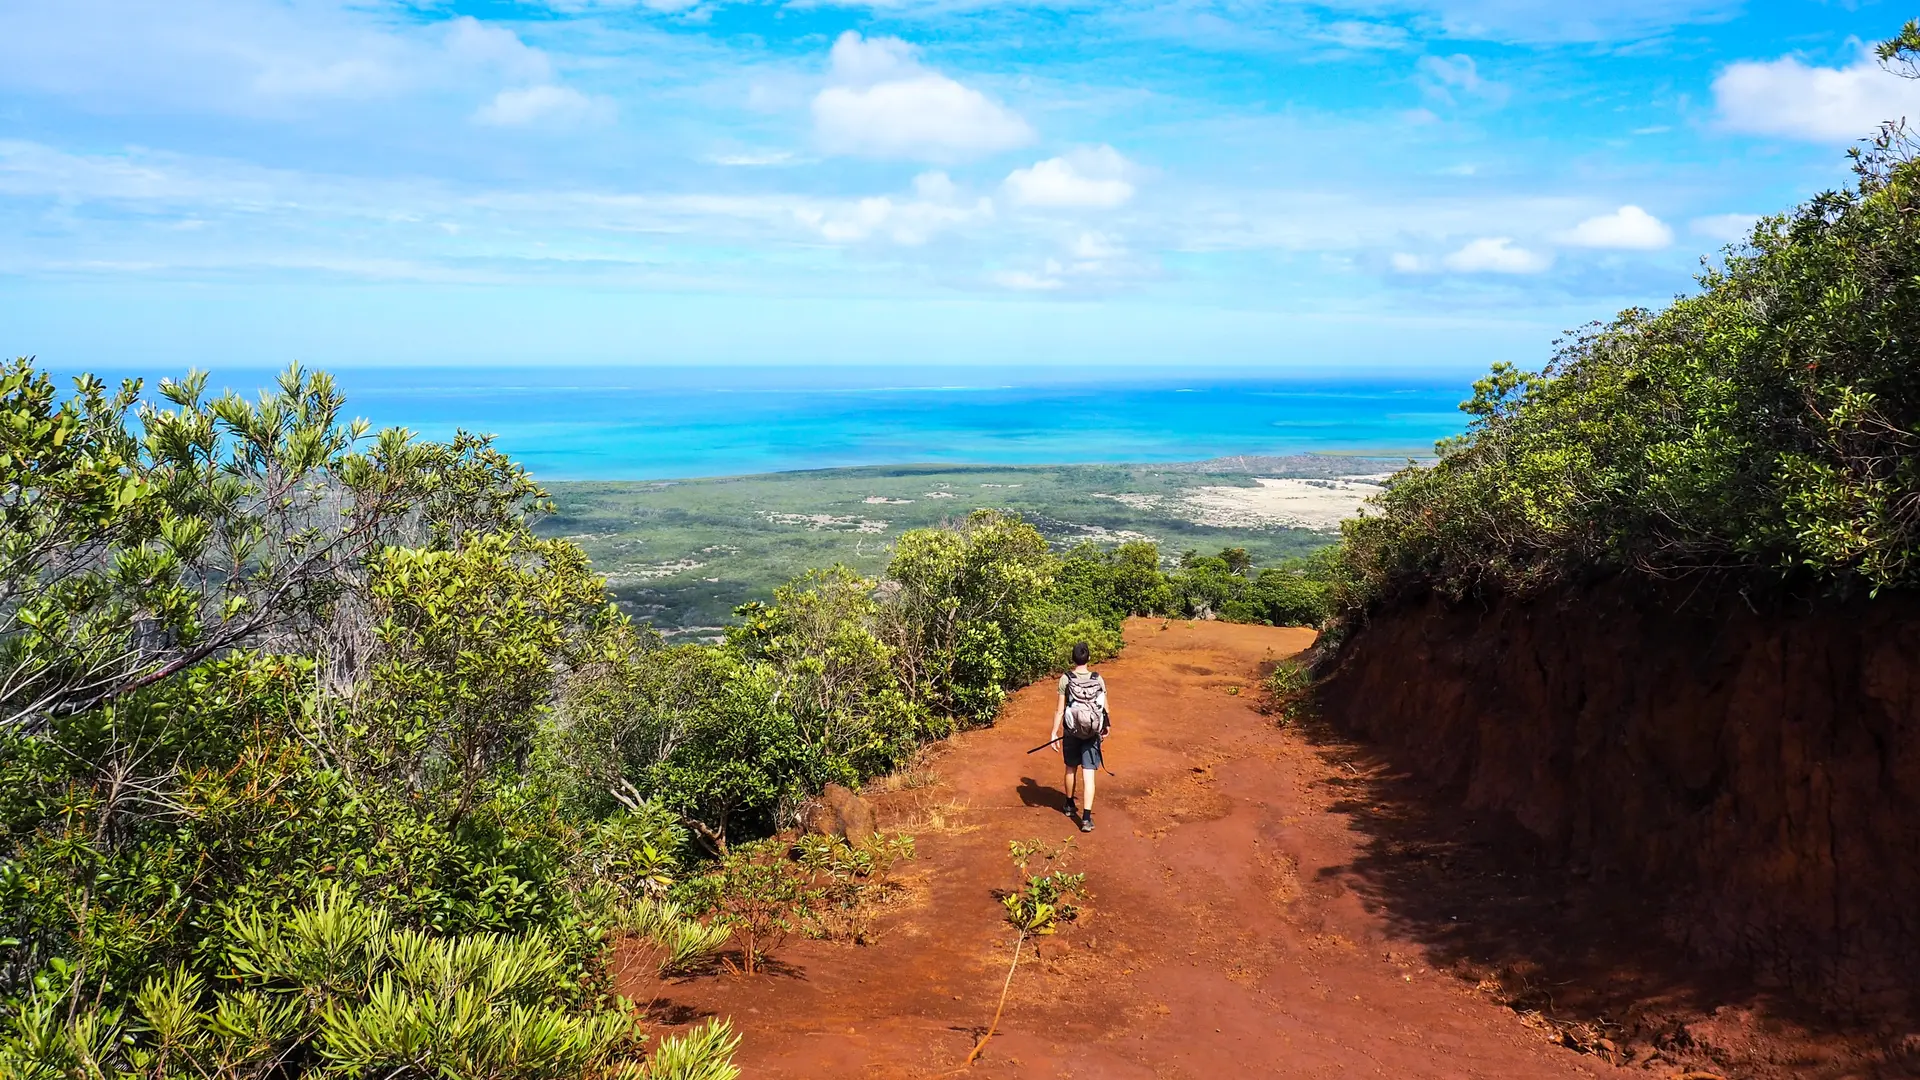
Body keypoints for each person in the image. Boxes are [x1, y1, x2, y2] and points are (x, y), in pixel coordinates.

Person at [1051, 641, 1109, 833]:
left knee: (1070, 767)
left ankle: (1069, 805)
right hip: (1092, 733)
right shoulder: (1097, 679)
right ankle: (1085, 819)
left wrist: (1054, 732)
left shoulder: (1065, 679)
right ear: (1088, 658)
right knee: (1089, 774)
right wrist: (1105, 727)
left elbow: (1060, 710)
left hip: (1071, 731)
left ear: (1073, 658)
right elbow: (1104, 708)